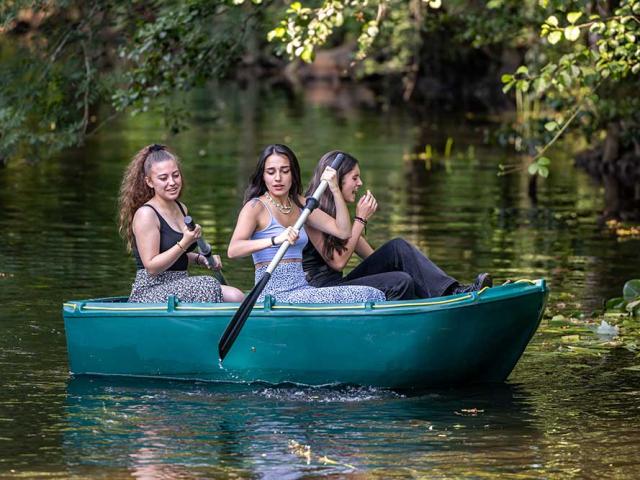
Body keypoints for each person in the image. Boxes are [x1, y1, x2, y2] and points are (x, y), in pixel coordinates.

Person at [302, 150, 493, 300]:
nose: (360, 183)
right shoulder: (312, 211)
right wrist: (360, 220)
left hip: (339, 283)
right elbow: (338, 262)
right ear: (337, 179)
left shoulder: (338, 212)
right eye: (354, 178)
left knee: (398, 248)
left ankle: (453, 291)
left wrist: (408, 265)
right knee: (400, 281)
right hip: (324, 291)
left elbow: (377, 258)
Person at [227, 144, 385, 304]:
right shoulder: (255, 207)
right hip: (272, 295)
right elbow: (234, 250)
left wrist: (335, 189)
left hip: (302, 291)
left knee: (371, 293)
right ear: (263, 175)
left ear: (293, 174)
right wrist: (275, 240)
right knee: (366, 295)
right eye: (271, 172)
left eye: (284, 171)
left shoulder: (300, 204)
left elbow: (343, 232)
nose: (278, 178)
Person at [118, 143, 245, 303]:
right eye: (163, 178)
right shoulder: (146, 214)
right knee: (209, 284)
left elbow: (176, 255)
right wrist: (185, 241)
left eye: (175, 175)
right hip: (150, 291)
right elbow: (151, 267)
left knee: (237, 296)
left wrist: (200, 258)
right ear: (149, 182)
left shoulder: (181, 208)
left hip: (179, 284)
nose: (172, 182)